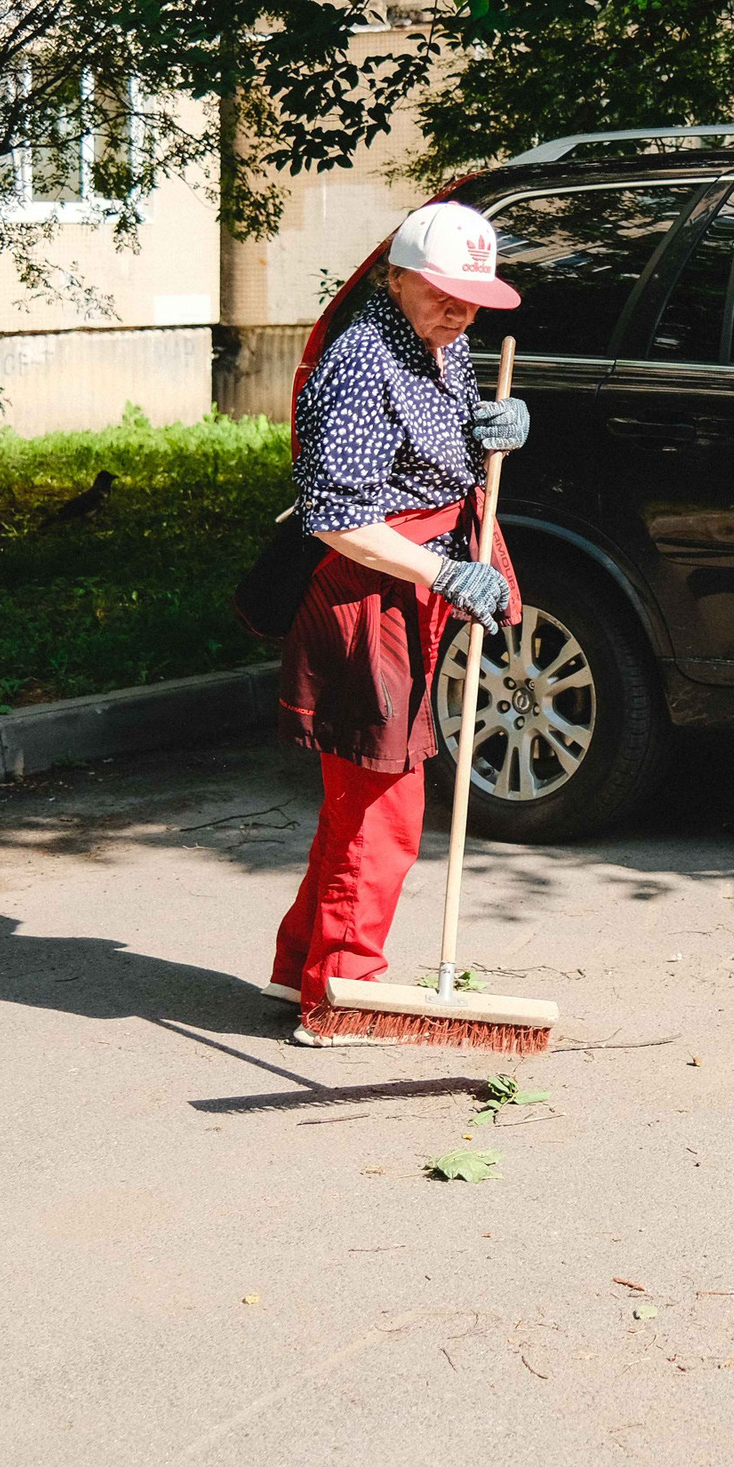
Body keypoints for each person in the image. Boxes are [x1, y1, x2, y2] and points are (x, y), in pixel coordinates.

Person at [267, 201, 530, 1046]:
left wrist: (489, 432)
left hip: (410, 585)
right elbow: (337, 516)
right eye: (445, 294)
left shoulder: (440, 347)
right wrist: (444, 570)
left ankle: (303, 964)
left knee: (360, 794)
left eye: (473, 298)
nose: (461, 312)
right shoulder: (359, 361)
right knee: (381, 801)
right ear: (396, 277)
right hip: (365, 592)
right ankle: (342, 992)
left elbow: (434, 452)